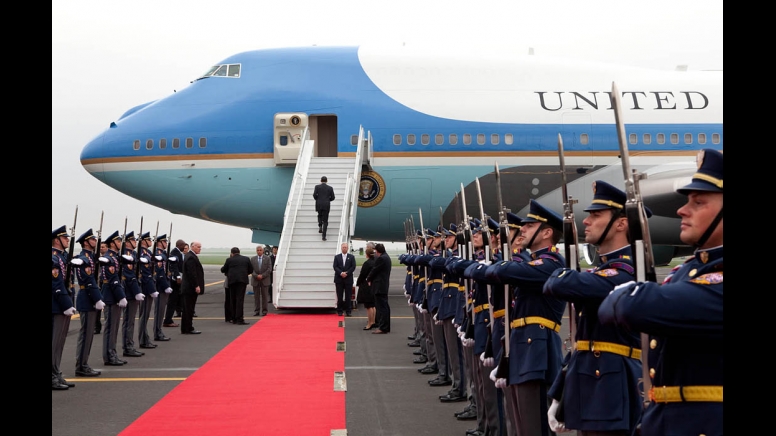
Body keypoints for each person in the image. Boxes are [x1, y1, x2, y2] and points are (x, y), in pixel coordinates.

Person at [598, 149, 723, 436]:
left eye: (699, 202)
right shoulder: (689, 271)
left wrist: (630, 294)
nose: (681, 209)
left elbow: (632, 307)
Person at [543, 180, 649, 435]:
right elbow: (582, 342)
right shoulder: (604, 270)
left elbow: (557, 285)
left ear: (621, 223)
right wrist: (561, 390)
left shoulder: (628, 271)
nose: (586, 221)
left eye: (596, 215)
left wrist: (563, 274)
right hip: (591, 385)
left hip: (613, 389)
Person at [492, 199, 567, 436]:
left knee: (534, 424)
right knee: (521, 421)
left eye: (529, 225)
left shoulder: (550, 263)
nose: (522, 229)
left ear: (546, 232)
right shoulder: (534, 261)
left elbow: (503, 270)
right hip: (523, 345)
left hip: (537, 349)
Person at [72, 228, 104, 377]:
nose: (95, 242)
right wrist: (97, 298)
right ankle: (81, 366)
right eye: (92, 240)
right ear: (86, 242)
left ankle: (84, 363)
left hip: (89, 297)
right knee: (85, 334)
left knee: (89, 334)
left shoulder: (91, 257)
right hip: (87, 298)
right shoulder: (84, 257)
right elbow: (89, 280)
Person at [52, 225, 77, 390]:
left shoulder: (63, 257)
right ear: (56, 240)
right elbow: (56, 283)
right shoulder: (53, 258)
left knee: (59, 342)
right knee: (54, 343)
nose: (67, 240)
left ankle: (56, 373)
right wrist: (66, 303)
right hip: (56, 305)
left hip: (63, 303)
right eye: (65, 238)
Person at [99, 230, 128, 366]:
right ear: (112, 243)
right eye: (118, 241)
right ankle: (109, 355)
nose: (120, 243)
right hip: (111, 297)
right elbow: (113, 280)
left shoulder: (115, 257)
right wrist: (121, 296)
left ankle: (112, 353)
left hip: (114, 296)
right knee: (110, 327)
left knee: (114, 327)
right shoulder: (109, 258)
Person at [121, 231, 145, 358]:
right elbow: (130, 276)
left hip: (133, 290)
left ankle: (130, 344)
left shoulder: (133, 254)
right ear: (128, 242)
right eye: (134, 240)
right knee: (128, 321)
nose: (136, 242)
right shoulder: (126, 255)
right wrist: (137, 292)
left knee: (131, 321)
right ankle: (127, 346)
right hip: (130, 292)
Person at [136, 232, 159, 350]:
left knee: (145, 315)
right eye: (148, 239)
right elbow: (146, 274)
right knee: (144, 315)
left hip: (148, 286)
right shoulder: (141, 253)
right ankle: (143, 340)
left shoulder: (148, 253)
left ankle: (145, 338)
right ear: (143, 241)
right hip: (145, 288)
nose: (150, 241)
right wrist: (151, 289)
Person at [221, 247, 254, 325]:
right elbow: (251, 270)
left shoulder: (229, 260)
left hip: (232, 281)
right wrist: (244, 274)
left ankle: (234, 318)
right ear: (239, 252)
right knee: (240, 300)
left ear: (232, 253)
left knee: (233, 300)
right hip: (242, 281)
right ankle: (240, 319)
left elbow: (223, 269)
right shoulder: (246, 259)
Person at [367, 243, 391, 334]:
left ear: (377, 251)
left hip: (379, 287)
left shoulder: (381, 258)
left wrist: (368, 278)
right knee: (385, 307)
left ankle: (383, 327)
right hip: (383, 286)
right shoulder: (386, 257)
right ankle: (385, 326)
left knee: (381, 308)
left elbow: (375, 270)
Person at [181, 241, 204, 334]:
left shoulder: (191, 256)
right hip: (190, 288)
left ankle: (187, 327)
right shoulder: (191, 257)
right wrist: (196, 285)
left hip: (189, 288)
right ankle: (188, 328)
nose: (200, 248)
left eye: (200, 247)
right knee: (188, 309)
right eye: (198, 247)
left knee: (188, 309)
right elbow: (192, 274)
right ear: (192, 247)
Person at [152, 234, 172, 342]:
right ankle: (157, 332)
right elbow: (160, 273)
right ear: (160, 242)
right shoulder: (158, 254)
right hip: (160, 286)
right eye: (165, 242)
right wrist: (165, 286)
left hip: (163, 285)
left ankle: (158, 331)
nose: (166, 244)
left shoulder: (163, 254)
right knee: (159, 311)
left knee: (161, 311)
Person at [162, 239, 185, 327]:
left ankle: (169, 319)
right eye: (183, 245)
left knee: (174, 300)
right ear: (180, 245)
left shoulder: (177, 252)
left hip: (175, 279)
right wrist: (178, 276)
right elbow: (174, 265)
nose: (184, 247)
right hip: (175, 280)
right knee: (172, 300)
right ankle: (168, 320)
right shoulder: (176, 252)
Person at [356, 244, 377, 329]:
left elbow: (362, 275)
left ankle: (370, 323)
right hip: (373, 285)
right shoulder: (375, 262)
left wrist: (358, 282)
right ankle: (374, 321)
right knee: (373, 305)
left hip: (366, 285)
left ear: (367, 254)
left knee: (368, 306)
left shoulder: (367, 263)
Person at [333, 242, 356, 316]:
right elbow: (335, 267)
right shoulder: (337, 257)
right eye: (343, 247)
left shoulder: (351, 257)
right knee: (339, 296)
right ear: (341, 248)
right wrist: (341, 273)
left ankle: (348, 311)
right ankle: (339, 310)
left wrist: (347, 273)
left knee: (348, 296)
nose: (344, 248)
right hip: (339, 279)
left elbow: (353, 266)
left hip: (348, 279)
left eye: (345, 247)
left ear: (347, 248)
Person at [250, 245, 272, 316]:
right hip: (255, 280)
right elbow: (251, 269)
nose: (259, 251)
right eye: (258, 250)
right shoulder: (253, 259)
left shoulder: (267, 258)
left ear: (263, 251)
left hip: (264, 280)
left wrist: (262, 275)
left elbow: (269, 269)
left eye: (260, 250)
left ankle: (264, 311)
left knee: (265, 296)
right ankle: (256, 311)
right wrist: (256, 275)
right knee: (256, 297)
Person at [313, 175, 335, 241]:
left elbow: (314, 195)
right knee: (325, 221)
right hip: (326, 204)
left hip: (319, 203)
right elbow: (333, 197)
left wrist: (318, 199)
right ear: (327, 181)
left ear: (320, 180)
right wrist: (328, 200)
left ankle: (320, 225)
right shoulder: (330, 188)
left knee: (319, 215)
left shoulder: (317, 187)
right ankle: (324, 236)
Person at [94, 241, 109, 335]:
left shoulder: (109, 259)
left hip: (105, 284)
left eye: (103, 247)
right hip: (98, 284)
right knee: (97, 307)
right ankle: (97, 326)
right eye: (100, 247)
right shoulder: (97, 259)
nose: (101, 249)